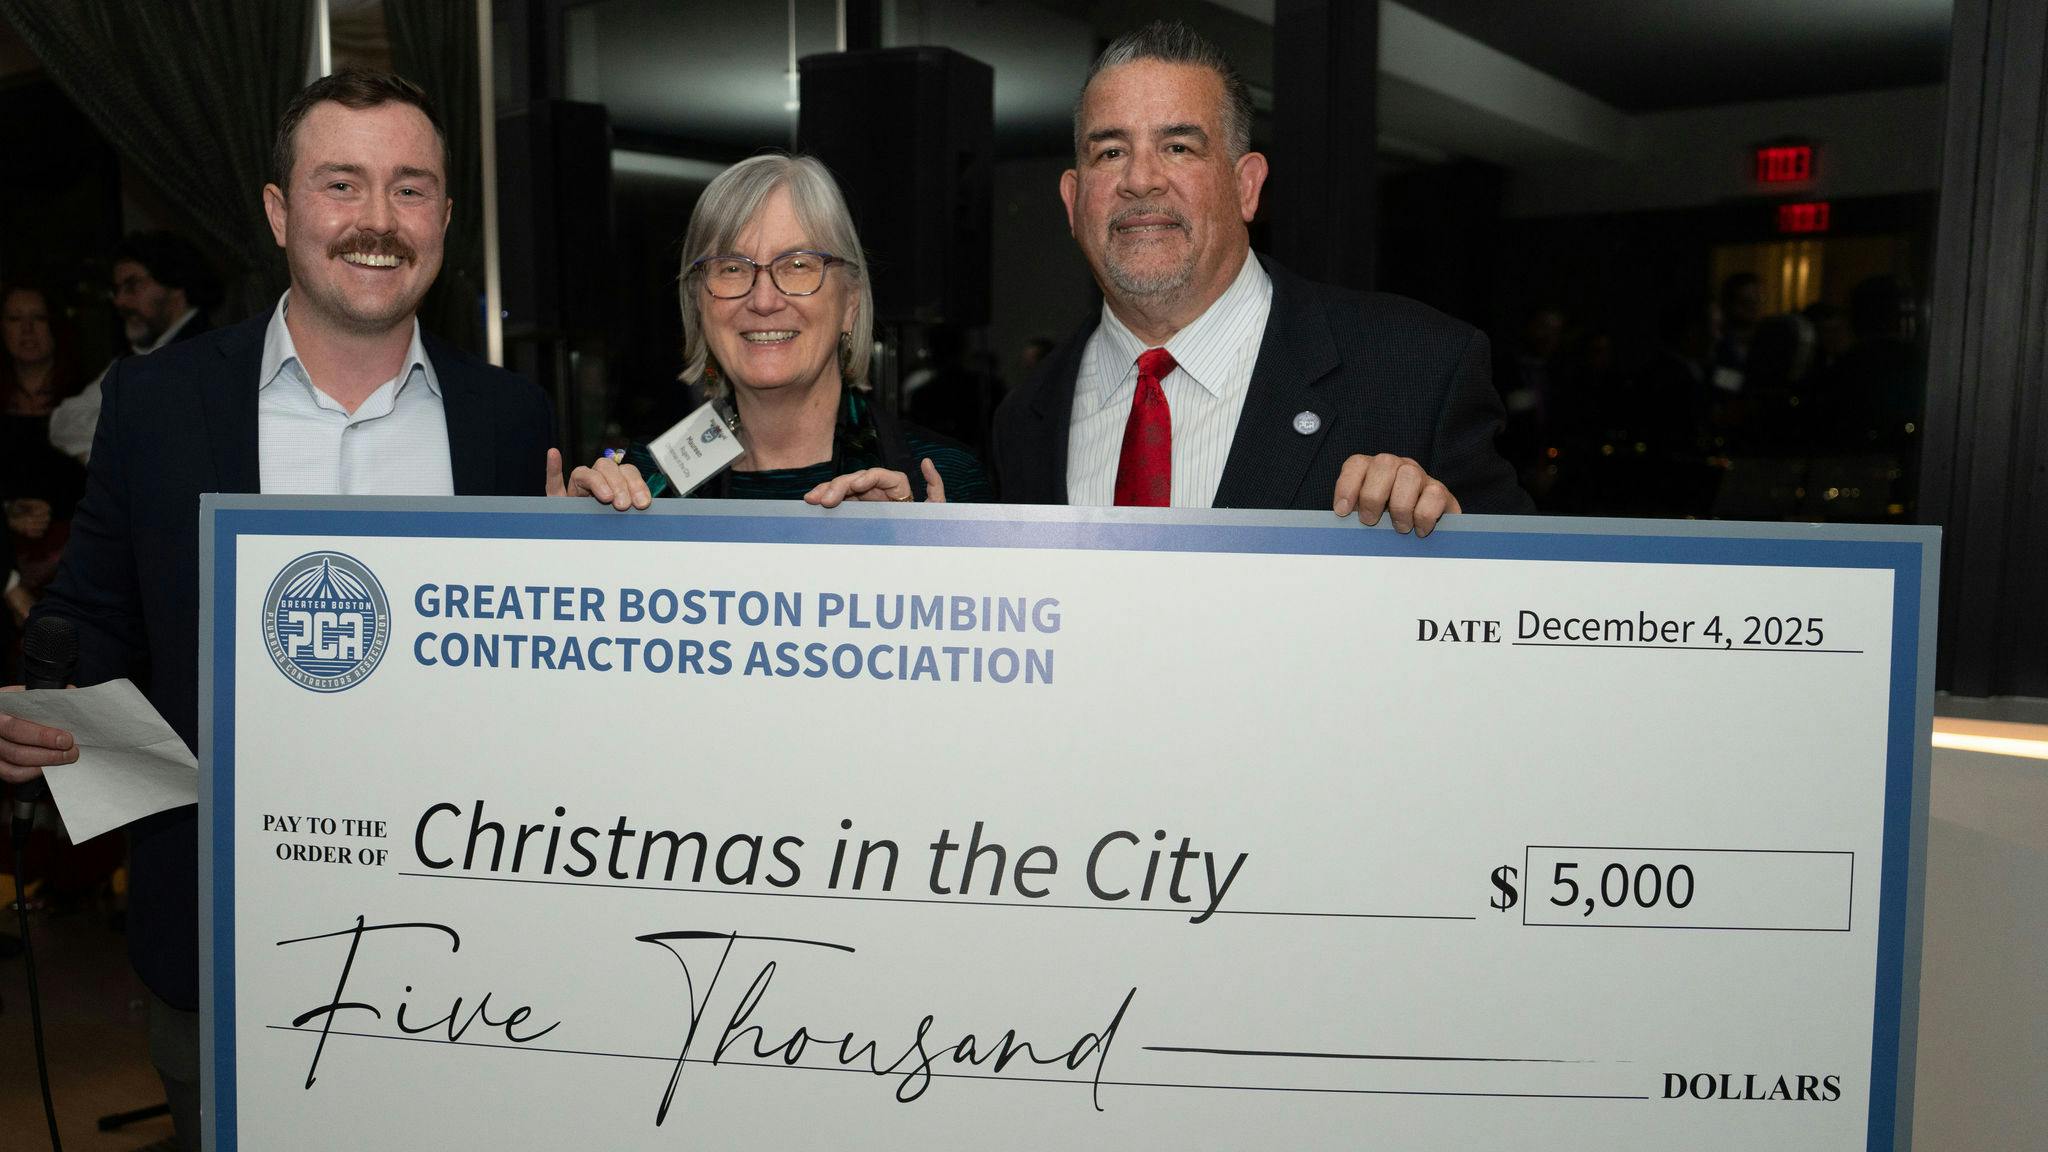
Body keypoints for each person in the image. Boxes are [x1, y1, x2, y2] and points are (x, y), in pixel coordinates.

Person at [0, 68, 555, 1149]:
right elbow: (95, 617)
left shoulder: (507, 415)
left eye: (409, 189)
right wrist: (40, 709)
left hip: (460, 960)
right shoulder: (159, 404)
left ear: (444, 215)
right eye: (340, 184)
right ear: (278, 210)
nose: (376, 223)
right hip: (220, 951)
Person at [991, 21, 1529, 534]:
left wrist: (1461, 543)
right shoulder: (1026, 417)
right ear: (1072, 200)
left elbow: (1528, 603)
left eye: (1179, 147)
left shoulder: (1420, 369)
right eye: (1110, 152)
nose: (1140, 180)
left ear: (1247, 186)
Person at [557, 153, 990, 510]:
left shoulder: (943, 480)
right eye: (731, 268)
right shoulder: (643, 486)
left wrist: (927, 554)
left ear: (850, 303)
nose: (763, 300)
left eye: (798, 264)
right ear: (698, 304)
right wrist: (562, 549)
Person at [48, 231, 222, 462]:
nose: (120, 301)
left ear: (176, 284)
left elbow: (166, 444)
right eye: (117, 289)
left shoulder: (212, 353)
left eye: (132, 286)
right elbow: (62, 422)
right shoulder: (138, 354)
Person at [1, 283, 87, 633]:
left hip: (75, 561)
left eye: (37, 318)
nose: (27, 330)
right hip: (7, 556)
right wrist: (8, 511)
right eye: (14, 319)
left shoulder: (85, 399)